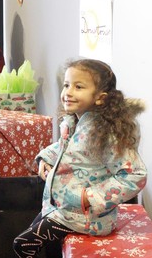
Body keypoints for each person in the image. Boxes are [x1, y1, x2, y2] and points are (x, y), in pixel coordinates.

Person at [13, 59, 147, 258]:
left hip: (86, 218)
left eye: (78, 87)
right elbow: (65, 149)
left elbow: (135, 174)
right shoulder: (73, 121)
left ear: (100, 98)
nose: (68, 92)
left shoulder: (107, 134)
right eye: (66, 85)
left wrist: (90, 197)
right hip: (62, 208)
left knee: (23, 244)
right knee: (47, 245)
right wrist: (45, 159)